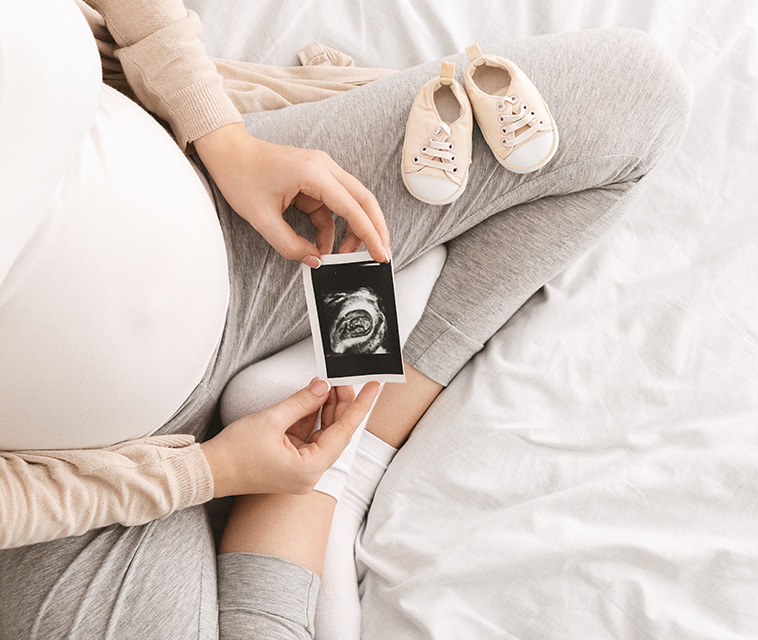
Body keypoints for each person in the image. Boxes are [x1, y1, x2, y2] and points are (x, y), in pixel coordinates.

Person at [0, 0, 691, 638]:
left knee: (635, 99)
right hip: (74, 479)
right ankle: (331, 442)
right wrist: (210, 474)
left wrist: (224, 138)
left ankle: (349, 442)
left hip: (236, 221)